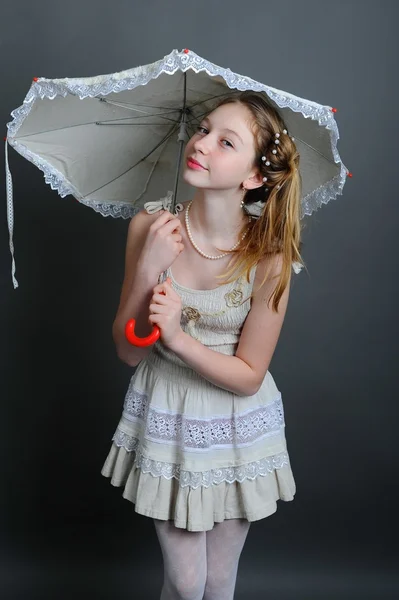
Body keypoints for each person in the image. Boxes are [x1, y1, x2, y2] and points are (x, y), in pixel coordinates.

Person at [101, 90, 304, 600]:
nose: (202, 144)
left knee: (217, 581)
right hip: (169, 412)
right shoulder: (150, 227)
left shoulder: (268, 257)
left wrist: (177, 337)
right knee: (187, 584)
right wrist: (149, 266)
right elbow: (127, 351)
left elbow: (250, 374)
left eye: (225, 141)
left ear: (253, 177)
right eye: (204, 129)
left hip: (237, 424)